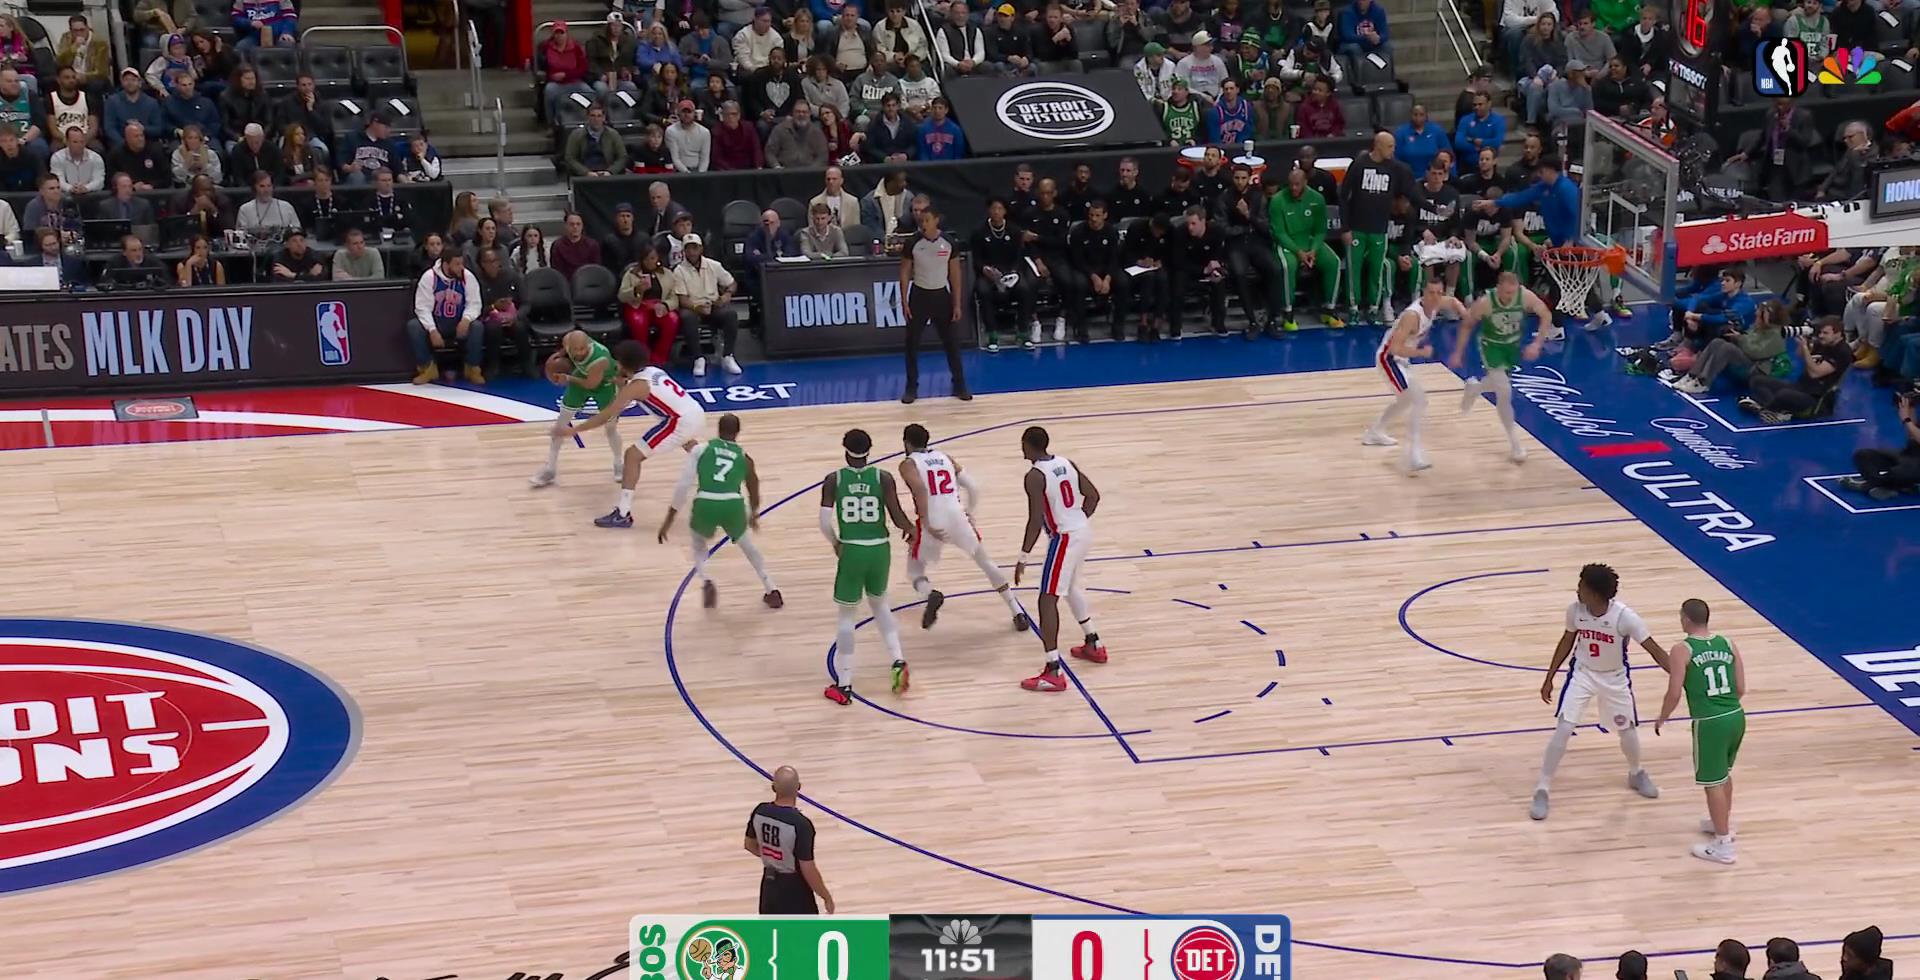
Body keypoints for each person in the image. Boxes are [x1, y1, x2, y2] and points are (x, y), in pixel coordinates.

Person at [1528, 563, 1671, 821]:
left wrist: (1682, 676)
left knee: (1627, 731)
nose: (1577, 590)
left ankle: (1636, 773)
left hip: (1614, 678)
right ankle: (1542, 788)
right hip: (1582, 674)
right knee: (1564, 728)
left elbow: (1655, 650)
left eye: (1581, 586)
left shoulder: (1625, 617)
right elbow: (1566, 641)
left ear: (1594, 593)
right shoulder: (1575, 610)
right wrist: (1549, 677)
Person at [899, 423, 1028, 634]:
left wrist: (925, 521)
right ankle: (1017, 611)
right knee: (985, 562)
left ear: (906, 443)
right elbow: (973, 487)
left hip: (933, 520)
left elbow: (920, 489)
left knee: (914, 570)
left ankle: (930, 593)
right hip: (958, 518)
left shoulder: (908, 464)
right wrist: (969, 511)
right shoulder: (945, 458)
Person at [573, 340, 709, 529]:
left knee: (632, 456)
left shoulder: (636, 386)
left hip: (680, 421)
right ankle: (719, 470)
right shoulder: (653, 370)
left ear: (623, 364)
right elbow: (634, 390)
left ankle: (623, 514)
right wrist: (622, 383)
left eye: (617, 361)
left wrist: (574, 430)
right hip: (695, 412)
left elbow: (608, 413)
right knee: (687, 443)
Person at [821, 427, 913, 702]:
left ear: (845, 451)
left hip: (852, 549)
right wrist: (912, 530)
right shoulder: (883, 477)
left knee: (847, 616)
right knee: (880, 605)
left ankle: (844, 684)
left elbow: (824, 522)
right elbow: (897, 516)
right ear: (869, 451)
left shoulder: (834, 479)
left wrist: (836, 543)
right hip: (880, 549)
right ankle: (898, 661)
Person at [1654, 598, 1748, 865]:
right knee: (1723, 774)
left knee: (1712, 782)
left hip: (1709, 722)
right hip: (1736, 716)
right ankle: (1722, 823)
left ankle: (1723, 845)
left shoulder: (1682, 649)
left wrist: (1662, 717)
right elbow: (1741, 687)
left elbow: (1674, 692)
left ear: (1685, 618)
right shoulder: (1728, 643)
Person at [1012, 425, 1104, 693]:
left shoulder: (1034, 476)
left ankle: (1053, 670)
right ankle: (1094, 643)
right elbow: (1093, 496)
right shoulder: (1067, 462)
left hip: (1064, 538)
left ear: (1028, 446)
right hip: (1082, 531)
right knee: (1071, 587)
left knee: (1047, 599)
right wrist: (1078, 521)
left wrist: (1023, 557)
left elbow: (1034, 520)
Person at [659, 412, 782, 609]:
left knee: (698, 545)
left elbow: (683, 486)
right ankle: (771, 588)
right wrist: (754, 512)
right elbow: (754, 486)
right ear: (738, 432)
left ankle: (706, 578)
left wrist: (668, 520)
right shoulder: (744, 456)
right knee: (749, 547)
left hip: (706, 501)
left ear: (718, 429)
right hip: (732, 504)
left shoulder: (701, 449)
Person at [1363, 278, 1468, 471]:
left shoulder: (1437, 303)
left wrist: (1465, 315)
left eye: (1439, 293)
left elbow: (1453, 302)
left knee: (1405, 401)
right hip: (1389, 359)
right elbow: (1395, 348)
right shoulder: (1412, 316)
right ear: (1423, 294)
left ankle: (1375, 432)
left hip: (1401, 360)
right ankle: (1413, 454)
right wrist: (1421, 353)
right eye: (1431, 293)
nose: (1435, 297)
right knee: (1418, 401)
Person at [1450, 270, 1553, 462]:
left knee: (1496, 384)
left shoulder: (1525, 296)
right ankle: (1516, 445)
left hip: (1512, 346)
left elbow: (1546, 315)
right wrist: (1458, 352)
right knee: (1504, 392)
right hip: (1491, 346)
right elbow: (1467, 325)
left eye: (1513, 293)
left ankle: (1475, 388)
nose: (1510, 297)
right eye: (1506, 293)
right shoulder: (1485, 302)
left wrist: (1537, 344)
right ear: (1498, 288)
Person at [530, 330, 625, 488]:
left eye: (582, 349)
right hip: (582, 377)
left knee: (610, 428)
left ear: (588, 344)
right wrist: (554, 361)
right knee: (560, 426)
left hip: (605, 384)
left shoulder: (599, 359)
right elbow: (562, 355)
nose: (579, 352)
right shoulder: (568, 341)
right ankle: (550, 469)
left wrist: (567, 378)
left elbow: (591, 384)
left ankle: (619, 463)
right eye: (575, 349)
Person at [897, 205, 969, 403]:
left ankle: (960, 385)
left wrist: (956, 304)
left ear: (936, 220)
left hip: (941, 297)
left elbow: (955, 275)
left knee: (951, 343)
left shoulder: (949, 242)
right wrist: (904, 300)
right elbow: (904, 273)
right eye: (921, 220)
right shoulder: (912, 242)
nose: (924, 224)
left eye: (927, 220)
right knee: (912, 344)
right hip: (919, 296)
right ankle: (911, 387)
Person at [1342, 132, 1414, 325]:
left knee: (1377, 271)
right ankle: (1353, 308)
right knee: (1353, 271)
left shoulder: (1394, 168)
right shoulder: (1359, 165)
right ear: (1378, 145)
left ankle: (1374, 308)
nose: (1393, 150)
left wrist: (1431, 208)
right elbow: (1344, 197)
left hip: (1379, 229)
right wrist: (1345, 228)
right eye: (1390, 146)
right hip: (1356, 227)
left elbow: (1408, 193)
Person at [745, 766, 832, 913]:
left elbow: (749, 844)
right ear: (799, 787)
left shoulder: (760, 811)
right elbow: (808, 868)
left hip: (769, 886)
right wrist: (826, 896)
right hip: (795, 891)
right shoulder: (801, 824)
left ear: (773, 788)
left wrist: (773, 855)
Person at [1269, 165, 1342, 332]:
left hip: (1310, 242)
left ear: (1305, 183)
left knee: (1334, 262)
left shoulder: (1317, 198)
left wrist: (1314, 250)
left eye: (1297, 184)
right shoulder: (1277, 200)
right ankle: (1287, 312)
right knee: (1288, 266)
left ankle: (1329, 309)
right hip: (1288, 243)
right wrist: (1299, 252)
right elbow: (1279, 233)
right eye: (1291, 184)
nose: (1293, 188)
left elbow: (1320, 230)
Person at [1740, 316, 1852, 423]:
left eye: (1825, 333)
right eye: (1820, 332)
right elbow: (1800, 355)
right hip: (1801, 387)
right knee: (1757, 381)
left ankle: (1768, 409)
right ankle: (1773, 410)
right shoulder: (1823, 343)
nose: (1821, 335)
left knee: (1784, 394)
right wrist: (1803, 342)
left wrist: (1805, 348)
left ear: (1838, 334)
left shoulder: (1842, 352)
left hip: (1815, 399)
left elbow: (1815, 373)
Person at [1668, 299, 1789, 394]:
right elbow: (1749, 340)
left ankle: (1703, 383)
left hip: (1756, 370)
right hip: (1748, 361)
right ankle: (1692, 376)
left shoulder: (1776, 336)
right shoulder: (1759, 328)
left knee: (1727, 348)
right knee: (1717, 342)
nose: (1756, 317)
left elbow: (1754, 352)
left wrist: (1739, 338)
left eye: (1758, 316)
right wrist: (1738, 335)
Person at [406, 252, 483, 384]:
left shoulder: (468, 277)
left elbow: (475, 303)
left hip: (459, 322)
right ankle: (427, 369)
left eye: (462, 263)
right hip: (437, 322)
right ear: (446, 265)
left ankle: (472, 368)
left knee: (477, 326)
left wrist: (466, 319)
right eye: (457, 264)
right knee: (414, 326)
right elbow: (422, 308)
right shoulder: (429, 277)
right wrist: (432, 330)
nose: (461, 268)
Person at [672, 233, 742, 377]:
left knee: (730, 314)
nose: (692, 252)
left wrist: (727, 295)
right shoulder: (679, 271)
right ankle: (698, 358)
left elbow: (732, 283)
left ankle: (727, 356)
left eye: (695, 248)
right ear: (684, 251)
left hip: (713, 304)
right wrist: (696, 307)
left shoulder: (713, 265)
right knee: (687, 317)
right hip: (693, 307)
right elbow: (682, 299)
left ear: (701, 249)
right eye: (688, 248)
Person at [970, 198, 1034, 353]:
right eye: (993, 208)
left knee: (1025, 289)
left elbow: (1019, 256)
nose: (996, 212)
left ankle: (1023, 333)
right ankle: (992, 335)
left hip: (1010, 272)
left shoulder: (1014, 230)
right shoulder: (979, 232)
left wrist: (1013, 272)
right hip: (989, 274)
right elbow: (976, 258)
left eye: (1000, 208)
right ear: (989, 211)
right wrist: (984, 269)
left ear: (1005, 211)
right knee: (983, 290)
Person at [1062, 200, 1129, 342]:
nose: (1093, 219)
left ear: (1105, 215)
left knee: (1123, 282)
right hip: (1084, 269)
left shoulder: (1111, 232)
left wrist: (1107, 279)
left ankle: (1118, 326)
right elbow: (1077, 260)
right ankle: (1081, 327)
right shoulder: (1078, 232)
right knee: (1079, 285)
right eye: (1091, 215)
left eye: (1097, 215)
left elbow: (1114, 258)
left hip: (1106, 269)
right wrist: (1094, 277)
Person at [1840, 384, 1920, 501]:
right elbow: (1912, 437)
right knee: (1864, 455)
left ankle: (1868, 485)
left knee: (1899, 472)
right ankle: (1883, 486)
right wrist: (1910, 411)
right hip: (1910, 454)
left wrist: (1906, 420)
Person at [620, 247, 680, 366]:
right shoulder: (631, 273)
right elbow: (621, 296)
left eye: (652, 258)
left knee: (673, 320)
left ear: (658, 259)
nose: (649, 262)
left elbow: (674, 297)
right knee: (638, 322)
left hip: (659, 306)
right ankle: (644, 358)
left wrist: (665, 305)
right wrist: (636, 290)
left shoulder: (667, 274)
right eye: (646, 259)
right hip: (637, 306)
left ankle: (659, 358)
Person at [235, 170, 299, 235]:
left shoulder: (287, 207)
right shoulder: (245, 209)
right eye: (262, 186)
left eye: (269, 186)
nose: (266, 190)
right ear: (254, 188)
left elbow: (297, 232)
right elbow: (240, 235)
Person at [549, 212, 603, 283]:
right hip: (565, 284)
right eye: (572, 224)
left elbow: (596, 270)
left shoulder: (592, 245)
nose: (575, 227)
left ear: (582, 226)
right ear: (566, 226)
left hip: (588, 283)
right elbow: (557, 272)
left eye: (578, 224)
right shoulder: (557, 245)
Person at [49, 127, 103, 195]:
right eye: (75, 142)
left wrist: (86, 188)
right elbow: (58, 180)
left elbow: (99, 181)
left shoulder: (96, 158)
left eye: (82, 142)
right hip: (66, 195)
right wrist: (70, 188)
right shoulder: (57, 158)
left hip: (90, 195)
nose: (79, 145)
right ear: (67, 142)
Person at [665, 99, 711, 173]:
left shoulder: (705, 132)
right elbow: (675, 158)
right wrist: (687, 174)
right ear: (678, 113)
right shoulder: (671, 131)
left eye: (689, 112)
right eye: (683, 112)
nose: (686, 115)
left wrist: (701, 174)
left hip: (698, 171)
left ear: (694, 113)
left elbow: (705, 159)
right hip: (678, 172)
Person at [915, 96, 965, 161]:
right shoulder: (923, 129)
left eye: (940, 108)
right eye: (934, 108)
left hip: (950, 165)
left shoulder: (955, 130)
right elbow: (922, 152)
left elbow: (958, 154)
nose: (937, 111)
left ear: (946, 110)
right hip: (929, 165)